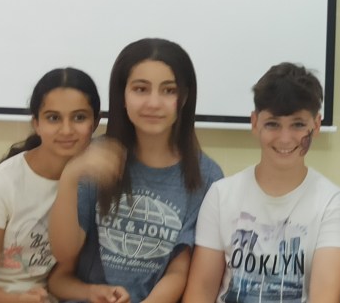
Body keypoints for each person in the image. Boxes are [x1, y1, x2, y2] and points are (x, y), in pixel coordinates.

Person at [48, 38, 224, 303]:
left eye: (168, 91)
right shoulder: (96, 158)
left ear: (185, 97)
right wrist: (71, 176)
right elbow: (64, 255)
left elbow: (179, 271)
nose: (153, 103)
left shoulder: (206, 176)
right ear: (122, 95)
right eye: (141, 89)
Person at [183, 63, 340, 302]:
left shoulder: (331, 202)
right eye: (273, 124)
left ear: (317, 125)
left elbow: (325, 297)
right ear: (255, 123)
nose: (285, 138)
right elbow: (200, 292)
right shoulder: (221, 195)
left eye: (298, 124)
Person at [0, 68, 100, 303]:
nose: (66, 130)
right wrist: (16, 300)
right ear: (36, 123)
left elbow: (60, 278)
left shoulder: (92, 181)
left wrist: (92, 292)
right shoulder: (5, 182)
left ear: (95, 122)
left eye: (79, 118)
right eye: (53, 118)